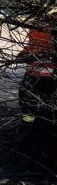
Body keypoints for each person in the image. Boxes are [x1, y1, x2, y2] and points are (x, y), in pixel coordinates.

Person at [19, 19, 55, 161]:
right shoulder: (38, 24)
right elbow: (32, 46)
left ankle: (31, 130)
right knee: (29, 105)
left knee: (35, 106)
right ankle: (29, 130)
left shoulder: (39, 24)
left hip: (45, 76)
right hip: (36, 75)